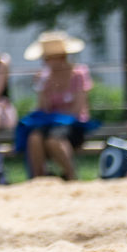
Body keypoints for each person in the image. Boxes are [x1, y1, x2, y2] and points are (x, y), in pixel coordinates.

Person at [17, 30, 95, 180]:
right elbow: (43, 109)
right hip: (50, 125)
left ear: (61, 57)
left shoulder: (78, 73)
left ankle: (71, 176)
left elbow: (77, 110)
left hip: (73, 125)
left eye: (48, 58)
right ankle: (39, 179)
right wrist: (41, 88)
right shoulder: (45, 77)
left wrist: (57, 119)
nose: (45, 63)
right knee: (34, 138)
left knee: (54, 140)